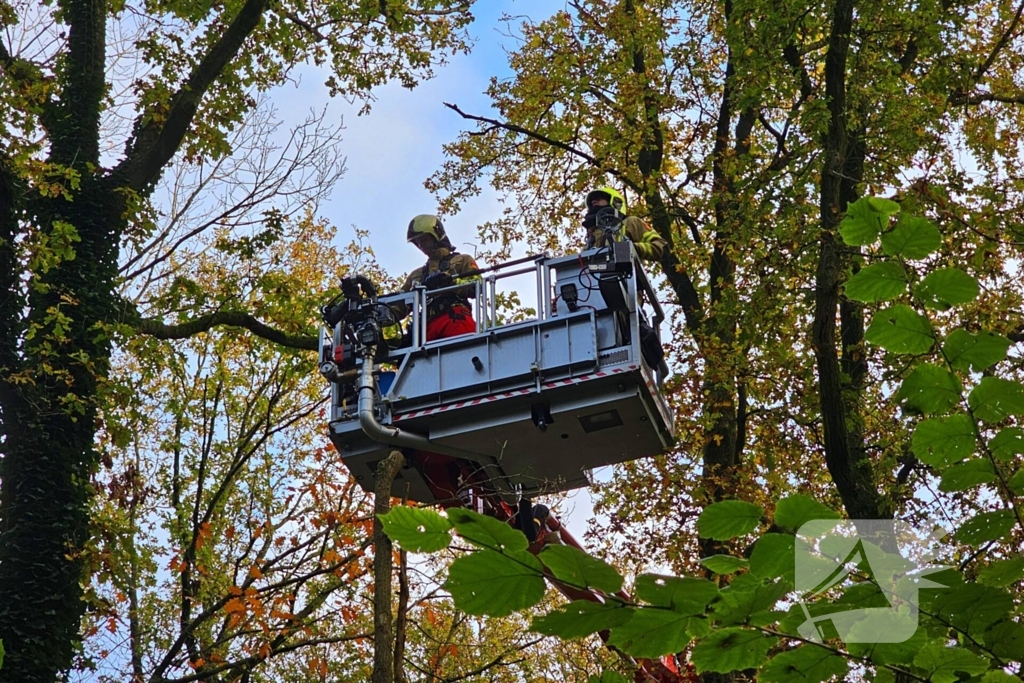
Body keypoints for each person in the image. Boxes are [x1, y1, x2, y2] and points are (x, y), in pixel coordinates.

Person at [397, 214, 481, 341]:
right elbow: (399, 306)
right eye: (418, 243)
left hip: (455, 319)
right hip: (426, 329)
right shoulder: (416, 275)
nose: (421, 246)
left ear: (436, 235)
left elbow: (477, 285)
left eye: (424, 240)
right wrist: (376, 313)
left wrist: (451, 282)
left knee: (463, 352)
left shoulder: (462, 260)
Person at [583, 186, 667, 262]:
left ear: (616, 203)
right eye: (592, 202)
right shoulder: (591, 239)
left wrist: (633, 248)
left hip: (627, 277)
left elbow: (662, 247)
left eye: (599, 198)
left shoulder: (631, 223)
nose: (594, 201)